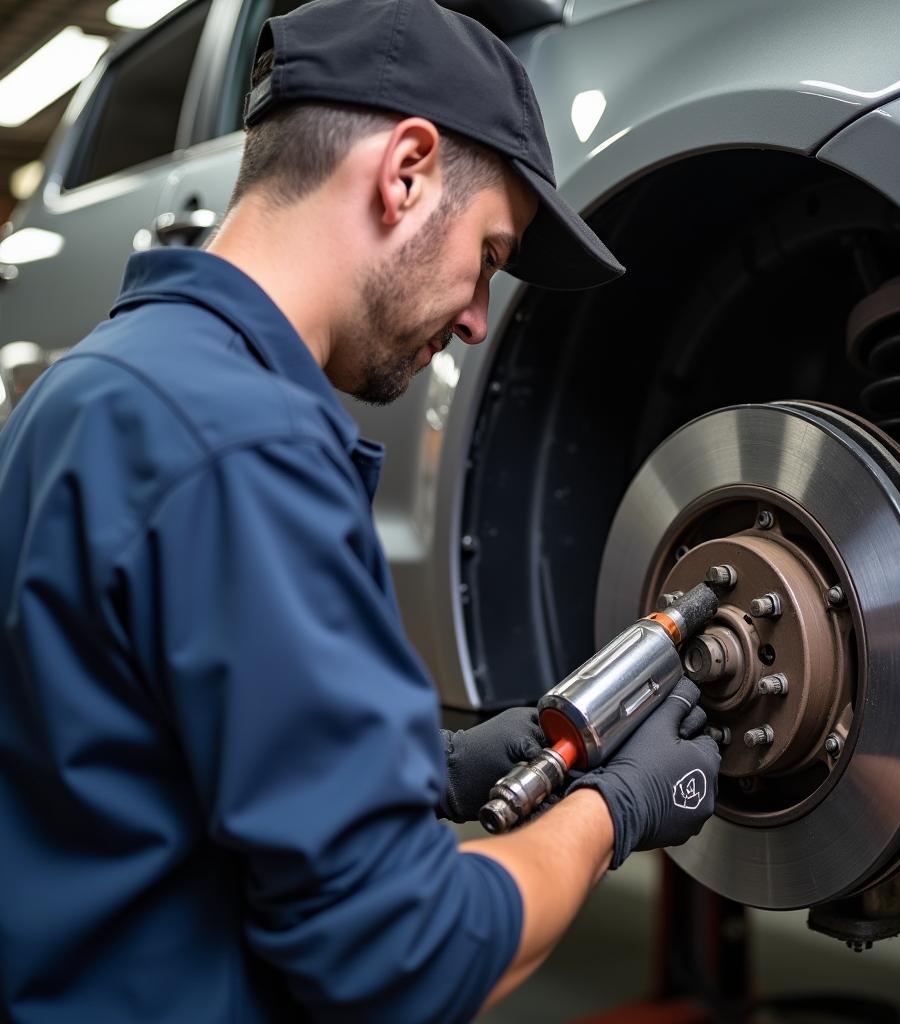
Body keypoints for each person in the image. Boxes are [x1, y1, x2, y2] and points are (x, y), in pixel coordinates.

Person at [0, 1, 720, 1020]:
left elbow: (125, 738)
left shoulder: (90, 389)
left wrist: (424, 765)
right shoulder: (246, 445)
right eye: (490, 253)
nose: (478, 317)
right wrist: (616, 809)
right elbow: (403, 953)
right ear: (407, 170)